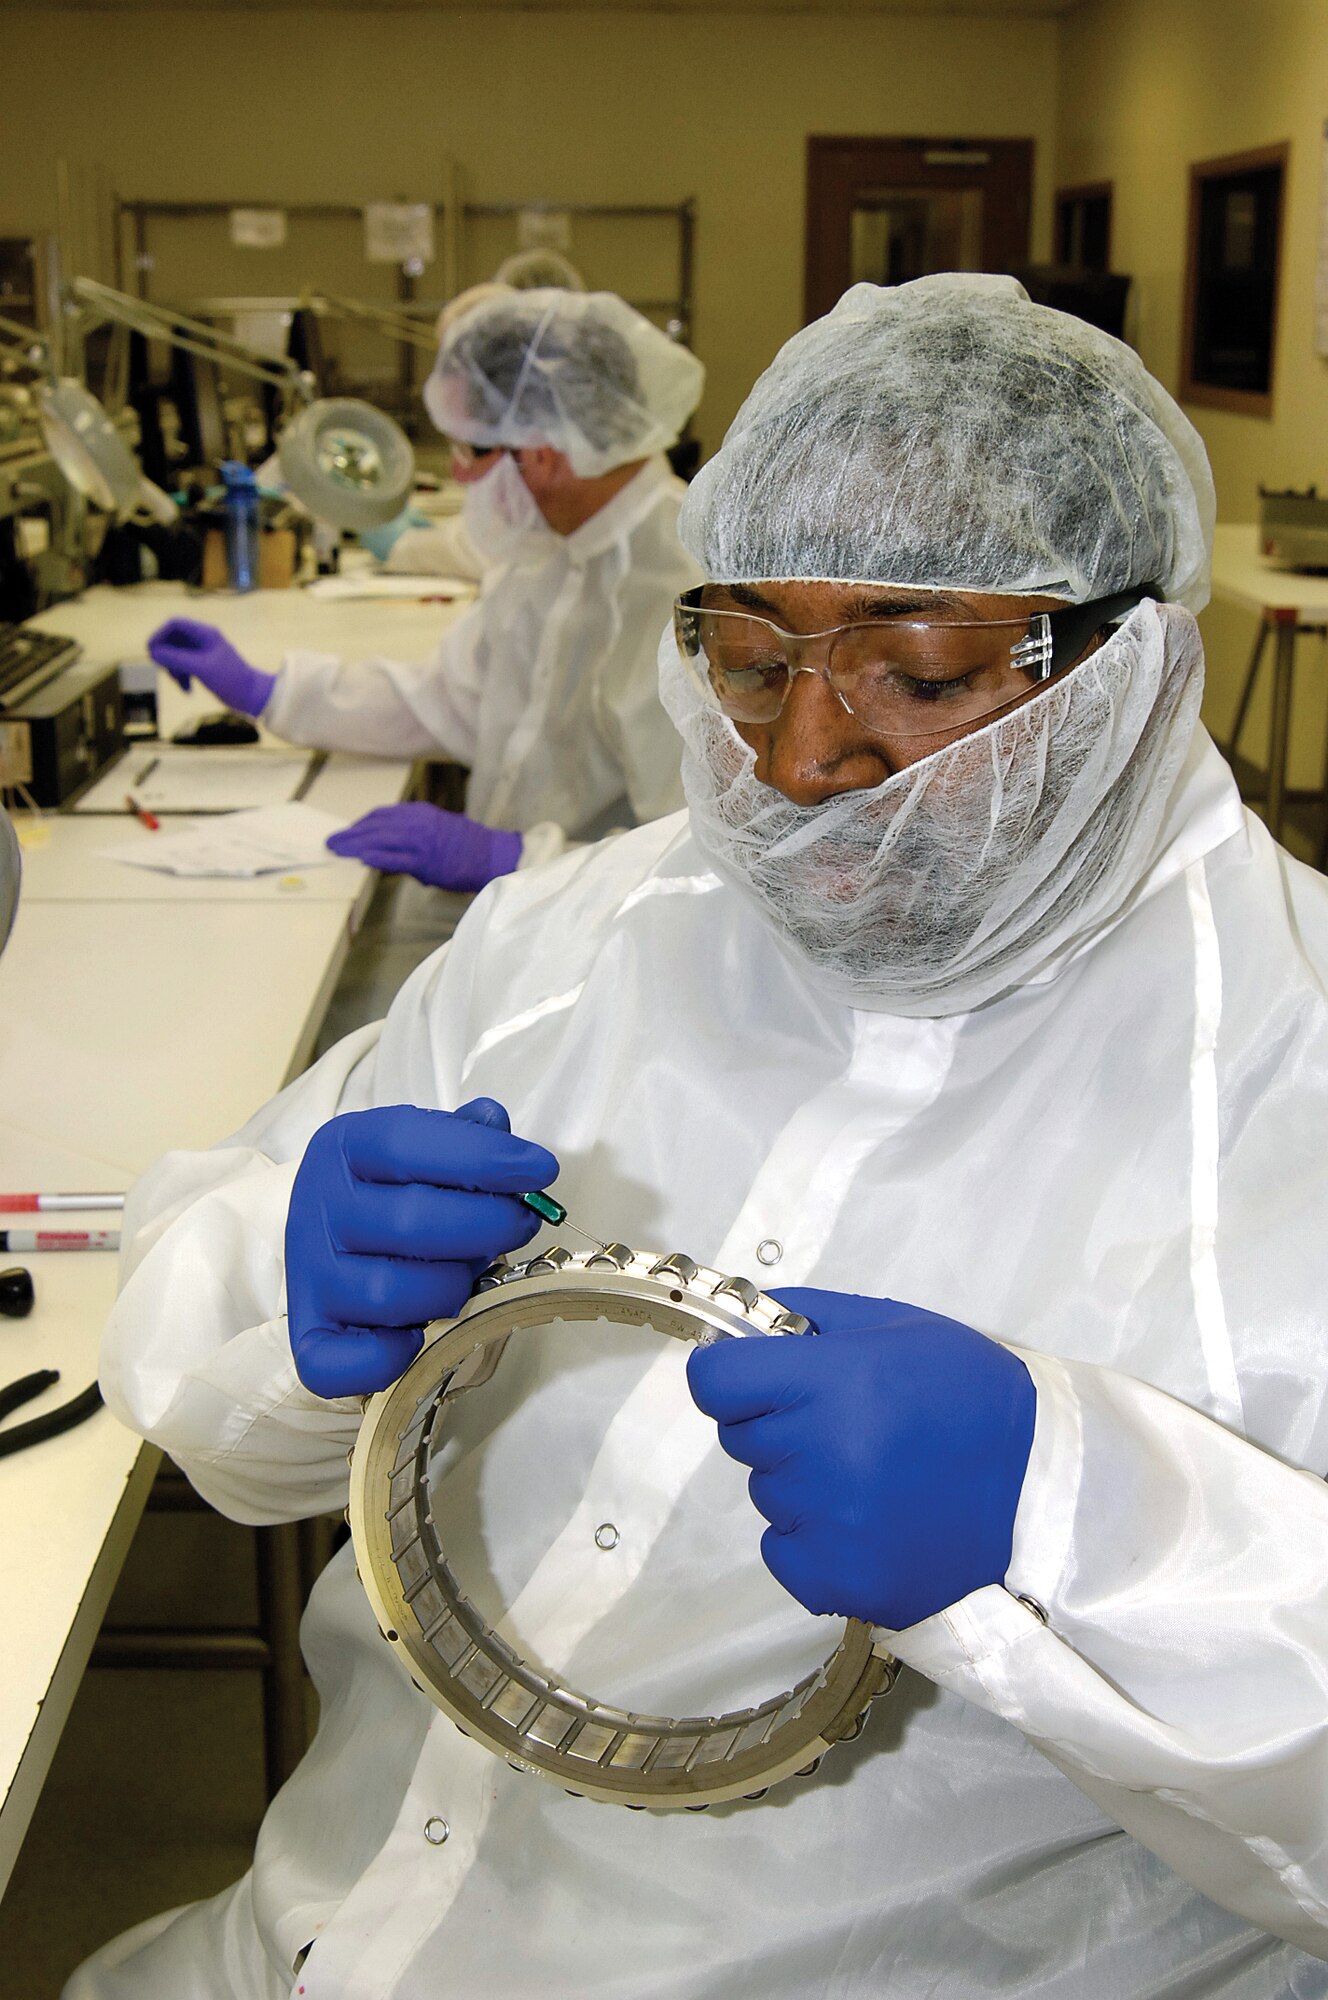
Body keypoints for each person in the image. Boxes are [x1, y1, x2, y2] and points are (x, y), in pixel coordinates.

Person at [74, 274, 1328, 1997]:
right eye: (748, 659)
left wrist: (1090, 1523)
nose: (804, 754)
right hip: (292, 1930)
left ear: (1130, 659)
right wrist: (272, 1301)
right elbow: (221, 1420)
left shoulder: (1291, 1074)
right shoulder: (568, 943)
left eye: (916, 671)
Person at [147, 290, 705, 891]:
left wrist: (517, 859)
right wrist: (268, 691)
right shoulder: (547, 553)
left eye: (469, 446)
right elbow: (445, 700)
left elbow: (691, 868)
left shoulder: (688, 591)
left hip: (597, 947)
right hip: (511, 911)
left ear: (542, 450)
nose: (458, 473)